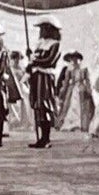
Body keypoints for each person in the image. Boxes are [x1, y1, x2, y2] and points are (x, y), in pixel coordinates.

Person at [26, 19, 62, 149]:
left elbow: (49, 60)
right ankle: (41, 138)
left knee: (44, 104)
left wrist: (35, 61)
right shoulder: (40, 43)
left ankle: (46, 138)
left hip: (46, 76)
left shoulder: (55, 44)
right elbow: (36, 59)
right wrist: (30, 58)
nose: (42, 31)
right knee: (38, 106)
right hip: (36, 76)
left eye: (44, 28)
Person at [55, 51, 96, 132]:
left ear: (79, 59)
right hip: (72, 88)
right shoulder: (69, 69)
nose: (74, 60)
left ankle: (81, 124)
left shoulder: (84, 68)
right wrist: (62, 91)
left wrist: (89, 90)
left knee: (83, 106)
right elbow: (66, 81)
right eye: (72, 58)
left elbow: (87, 80)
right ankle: (71, 124)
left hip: (81, 88)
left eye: (76, 58)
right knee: (71, 105)